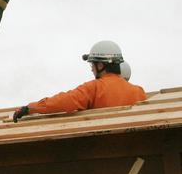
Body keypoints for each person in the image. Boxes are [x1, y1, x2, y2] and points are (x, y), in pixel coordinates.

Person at [13, 41, 146, 122]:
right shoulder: (139, 92)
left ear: (101, 65)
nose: (92, 70)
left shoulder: (94, 88)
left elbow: (63, 102)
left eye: (92, 65)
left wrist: (30, 108)